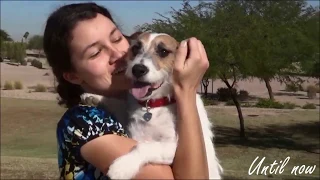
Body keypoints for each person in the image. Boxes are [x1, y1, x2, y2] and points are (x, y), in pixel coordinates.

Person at [43, 2, 210, 180]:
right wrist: (186, 90)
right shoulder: (82, 123)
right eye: (95, 53)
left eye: (116, 39)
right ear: (73, 76)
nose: (118, 54)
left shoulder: (135, 103)